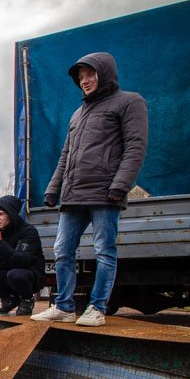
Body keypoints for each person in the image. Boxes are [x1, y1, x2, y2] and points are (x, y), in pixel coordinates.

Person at [32, 52, 148, 327]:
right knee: (62, 250)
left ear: (105, 73)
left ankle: (97, 307)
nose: (85, 81)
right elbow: (66, 154)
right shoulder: (78, 113)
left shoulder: (129, 102)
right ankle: (64, 306)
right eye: (81, 77)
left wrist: (121, 185)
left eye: (90, 75)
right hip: (74, 194)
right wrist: (53, 188)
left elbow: (136, 147)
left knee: (103, 250)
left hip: (105, 192)